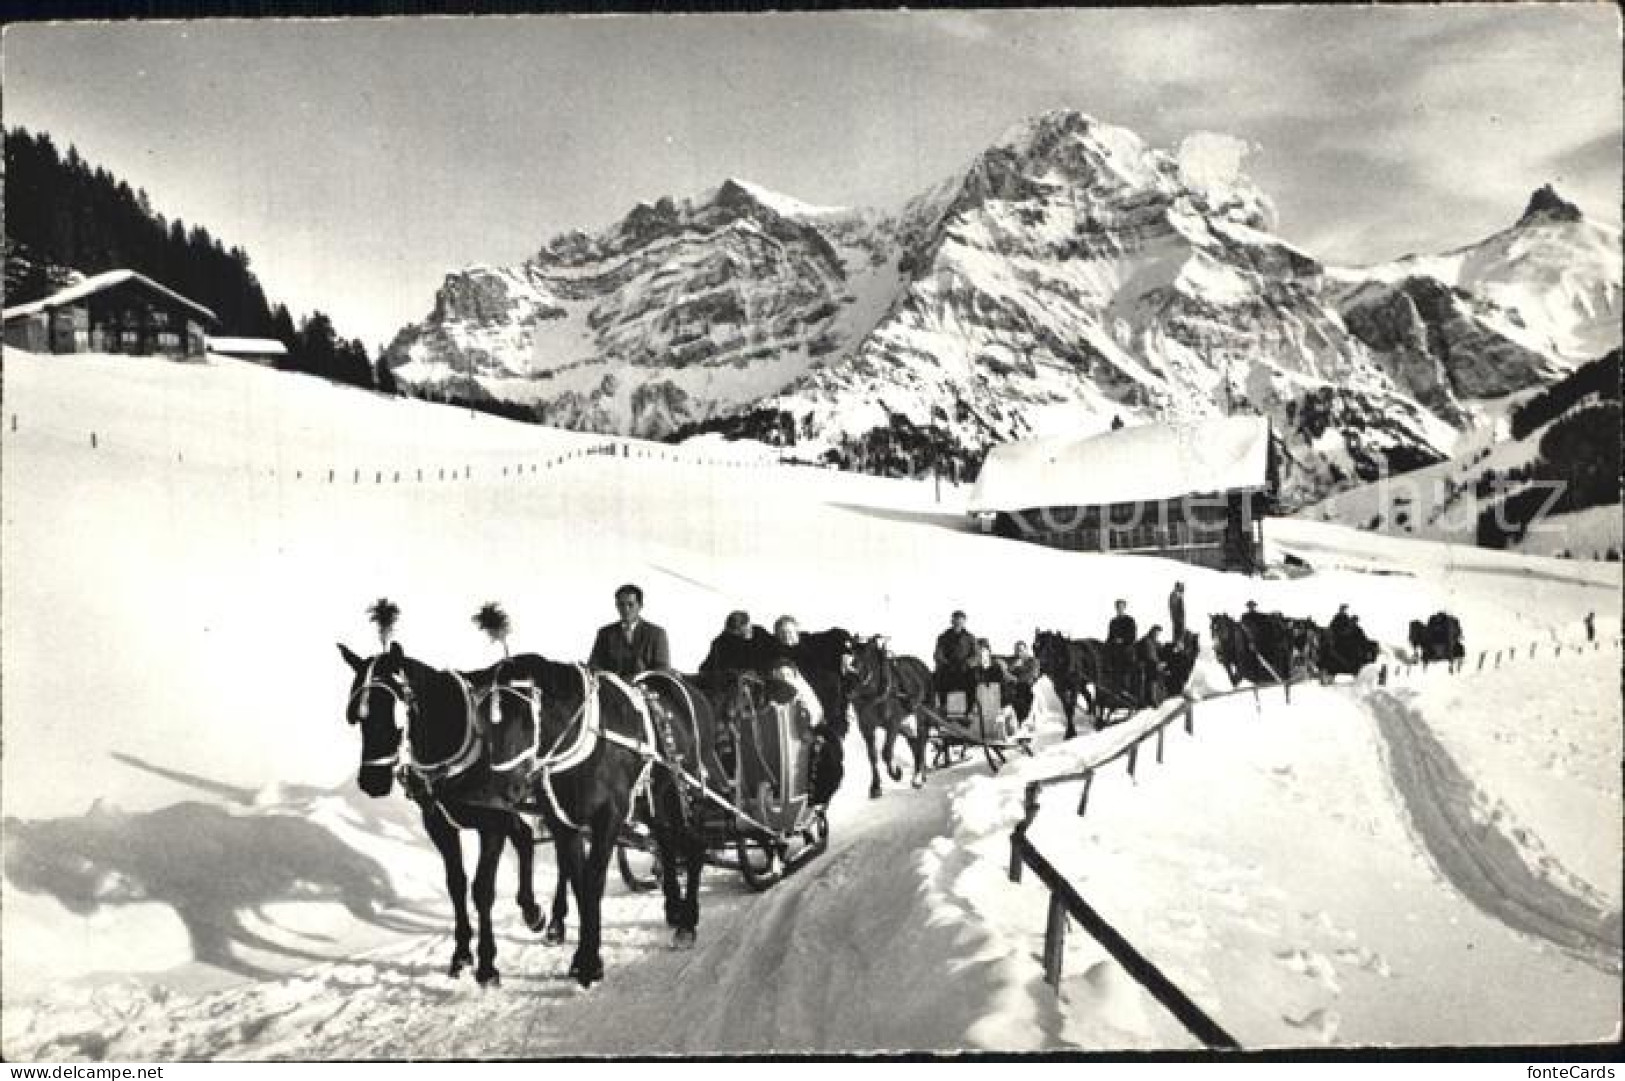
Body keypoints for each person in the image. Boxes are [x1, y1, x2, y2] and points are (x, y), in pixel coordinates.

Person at [587, 583, 670, 680]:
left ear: (640, 606)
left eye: (630, 604)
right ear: (616, 606)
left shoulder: (657, 633)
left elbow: (662, 669)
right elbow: (594, 665)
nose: (625, 609)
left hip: (645, 690)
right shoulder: (605, 633)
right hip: (612, 690)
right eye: (621, 604)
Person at [699, 610, 769, 676]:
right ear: (735, 631)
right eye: (746, 628)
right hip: (729, 679)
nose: (750, 630)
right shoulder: (721, 643)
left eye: (749, 626)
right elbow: (722, 669)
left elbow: (775, 650)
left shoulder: (759, 632)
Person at [933, 610, 977, 711]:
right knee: (940, 679)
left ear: (964, 622)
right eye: (955, 621)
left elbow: (976, 655)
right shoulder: (943, 637)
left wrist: (968, 663)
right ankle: (944, 706)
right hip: (948, 668)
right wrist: (946, 663)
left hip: (965, 670)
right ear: (952, 621)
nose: (958, 623)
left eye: (960, 621)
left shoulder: (970, 638)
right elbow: (938, 654)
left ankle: (969, 709)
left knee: (971, 681)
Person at [1004, 641, 1040, 723]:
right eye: (1016, 650)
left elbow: (1032, 675)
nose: (1019, 653)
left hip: (1028, 688)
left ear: (1026, 650)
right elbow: (1006, 673)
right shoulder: (1013, 661)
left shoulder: (1033, 661)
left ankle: (1024, 720)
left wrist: (1016, 679)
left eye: (1021, 650)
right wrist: (1014, 666)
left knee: (1023, 691)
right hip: (1014, 689)